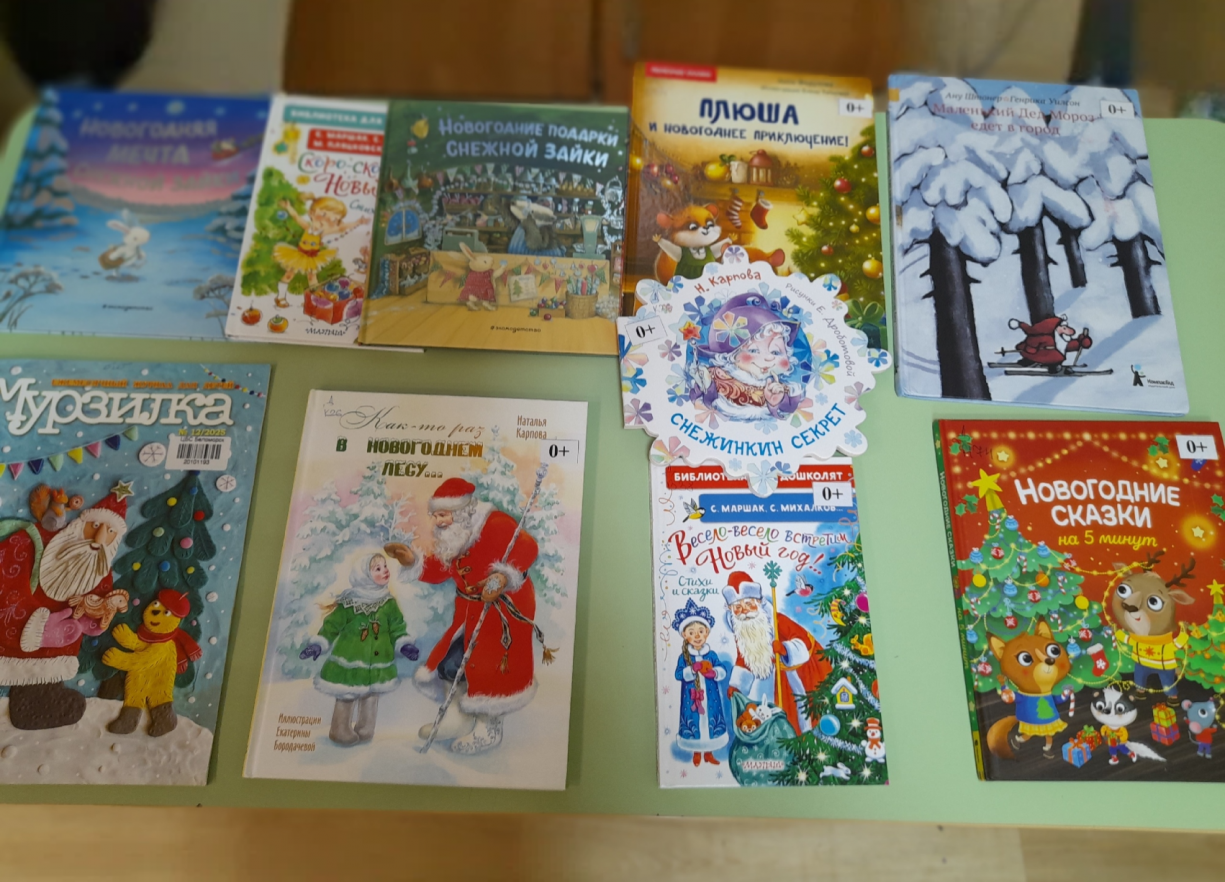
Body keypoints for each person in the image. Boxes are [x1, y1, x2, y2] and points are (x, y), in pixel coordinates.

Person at [389, 478, 542, 755]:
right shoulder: (455, 534)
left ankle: (488, 728)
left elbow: (528, 547)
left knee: (489, 669)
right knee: (452, 663)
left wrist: (501, 577)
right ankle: (457, 718)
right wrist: (411, 561)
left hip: (502, 611)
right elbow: (442, 568)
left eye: (442, 515)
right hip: (469, 611)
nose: (438, 521)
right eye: (435, 515)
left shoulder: (496, 523)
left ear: (461, 511)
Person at [0, 482, 130, 729]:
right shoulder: (32, 540)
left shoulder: (99, 564)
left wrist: (95, 617)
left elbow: (100, 602)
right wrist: (37, 626)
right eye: (94, 526)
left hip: (58, 648)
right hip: (15, 632)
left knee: (46, 680)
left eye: (110, 532)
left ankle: (39, 702)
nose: (99, 538)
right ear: (80, 524)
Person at [299, 551, 418, 746]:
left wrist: (404, 645)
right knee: (347, 694)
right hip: (350, 660)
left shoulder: (388, 603)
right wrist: (318, 645)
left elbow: (397, 626)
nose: (385, 571)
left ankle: (365, 728)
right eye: (377, 568)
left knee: (371, 695)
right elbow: (331, 626)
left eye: (385, 566)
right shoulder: (349, 603)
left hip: (378, 660)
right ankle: (339, 729)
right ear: (364, 575)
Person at [723, 570, 832, 736]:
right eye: (738, 607)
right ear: (731, 610)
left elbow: (803, 640)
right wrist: (737, 686)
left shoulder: (776, 620)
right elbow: (744, 659)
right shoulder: (741, 631)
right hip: (764, 680)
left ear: (758, 602)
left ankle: (800, 739)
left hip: (790, 675)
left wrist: (785, 649)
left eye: (748, 604)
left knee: (793, 714)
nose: (744, 611)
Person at [692, 292, 804, 422]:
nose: (768, 358)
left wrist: (776, 402)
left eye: (775, 352)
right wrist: (706, 387)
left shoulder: (781, 388)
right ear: (730, 356)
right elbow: (698, 404)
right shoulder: (714, 377)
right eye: (754, 350)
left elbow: (789, 411)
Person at [274, 194, 370, 306]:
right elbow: (296, 217)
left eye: (333, 219)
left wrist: (357, 222)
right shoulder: (307, 227)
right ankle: (280, 297)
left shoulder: (323, 232)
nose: (326, 220)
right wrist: (288, 207)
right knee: (289, 274)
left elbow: (341, 228)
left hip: (312, 258)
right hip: (298, 255)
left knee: (312, 278)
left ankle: (314, 300)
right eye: (323, 214)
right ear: (311, 213)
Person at [671, 599, 730, 766]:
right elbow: (678, 674)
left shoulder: (711, 655)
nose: (697, 636)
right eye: (692, 632)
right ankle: (697, 752)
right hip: (691, 698)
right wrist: (691, 669)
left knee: (710, 722)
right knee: (695, 722)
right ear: (685, 635)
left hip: (711, 698)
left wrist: (714, 672)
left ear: (707, 633)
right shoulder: (684, 657)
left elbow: (721, 670)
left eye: (701, 631)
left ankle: (709, 753)